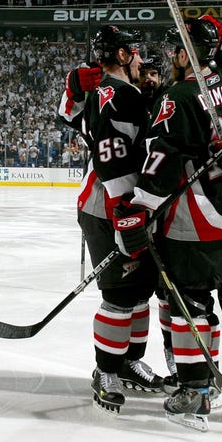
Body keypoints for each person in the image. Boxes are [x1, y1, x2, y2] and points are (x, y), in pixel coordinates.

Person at [114, 15, 222, 430]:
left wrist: (140, 207)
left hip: (199, 218)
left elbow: (163, 160)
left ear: (187, 53)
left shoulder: (181, 95)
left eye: (175, 51)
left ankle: (197, 392)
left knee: (192, 307)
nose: (170, 58)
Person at [57, 25, 164, 415]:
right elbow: (111, 156)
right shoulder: (119, 93)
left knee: (140, 290)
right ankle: (107, 371)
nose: (140, 61)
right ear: (122, 56)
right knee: (120, 294)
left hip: (128, 207)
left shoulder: (111, 92)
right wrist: (125, 213)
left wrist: (73, 87)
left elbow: (66, 114)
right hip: (111, 207)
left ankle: (129, 363)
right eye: (135, 53)